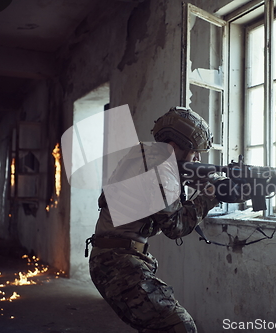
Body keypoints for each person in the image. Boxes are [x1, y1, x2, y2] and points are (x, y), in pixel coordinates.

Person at [88, 107, 223, 333]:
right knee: (181, 326)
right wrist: (211, 195)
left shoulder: (147, 156)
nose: (198, 158)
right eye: (195, 151)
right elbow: (176, 226)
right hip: (117, 263)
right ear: (176, 145)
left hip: (114, 259)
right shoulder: (160, 165)